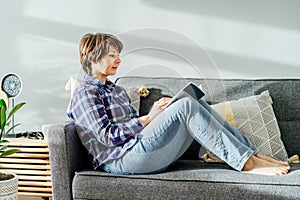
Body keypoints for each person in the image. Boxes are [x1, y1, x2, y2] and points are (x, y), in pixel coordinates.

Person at [67, 33, 290, 176]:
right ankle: (245, 163)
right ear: (93, 59)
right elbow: (107, 137)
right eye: (112, 55)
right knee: (185, 107)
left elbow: (132, 131)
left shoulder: (116, 89)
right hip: (120, 161)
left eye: (118, 54)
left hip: (139, 150)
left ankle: (250, 154)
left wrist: (154, 117)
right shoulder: (85, 93)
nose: (119, 59)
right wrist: (148, 118)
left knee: (190, 101)